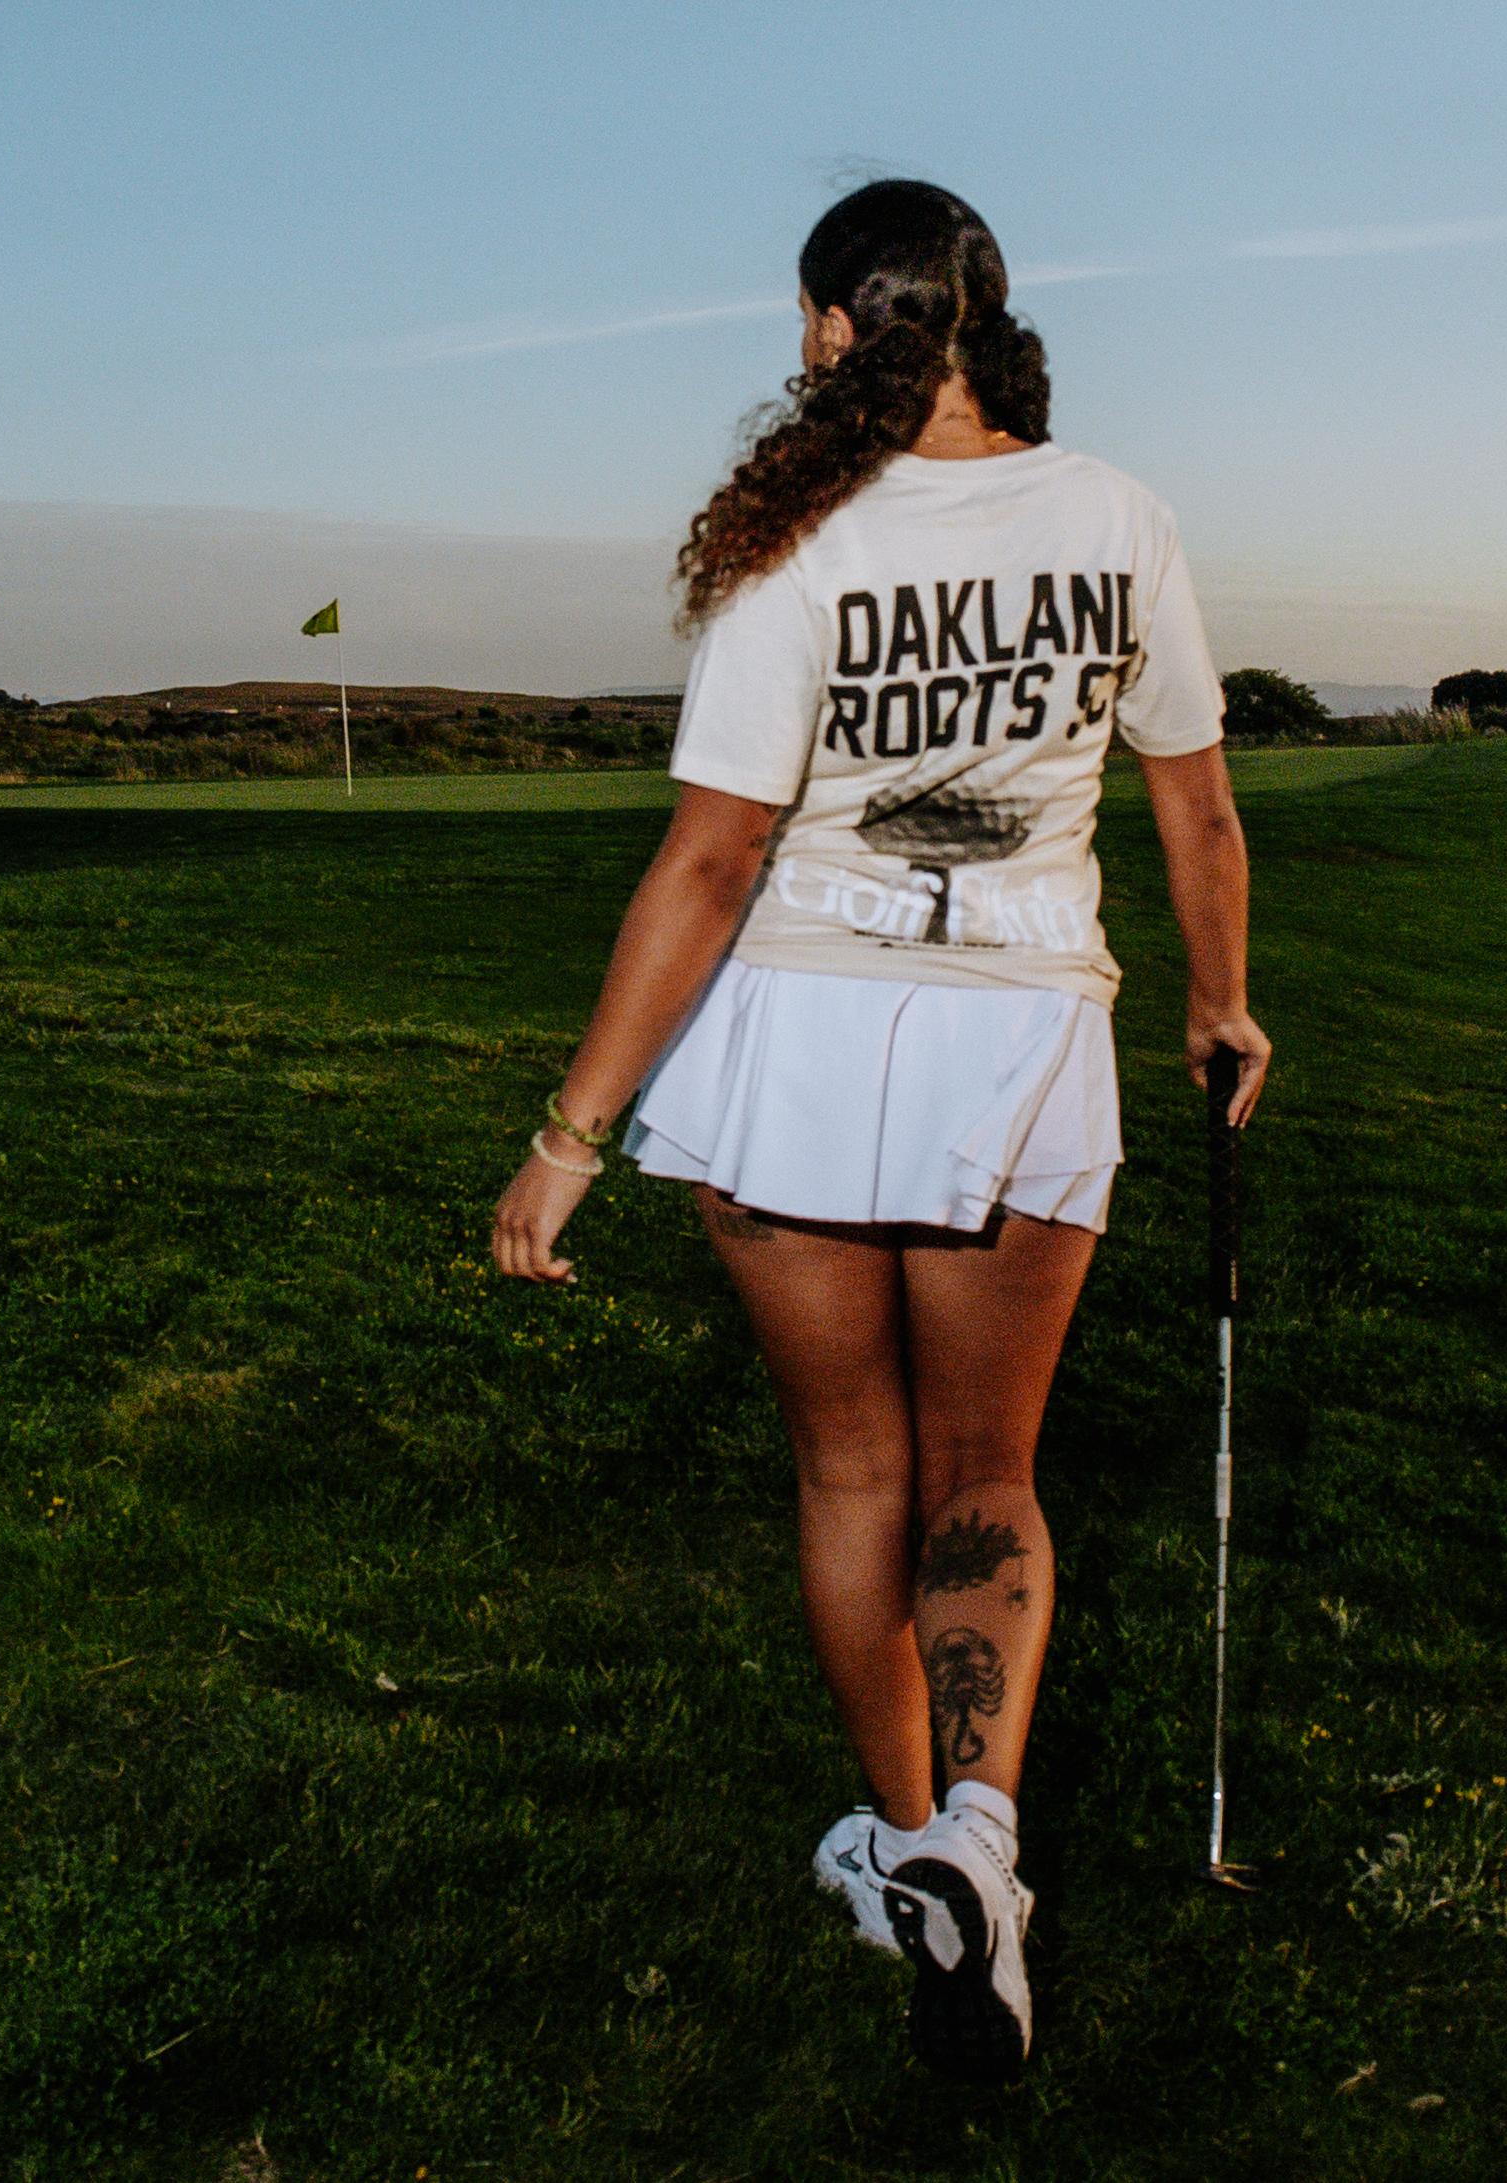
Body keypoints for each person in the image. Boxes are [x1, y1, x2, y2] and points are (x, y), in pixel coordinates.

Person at [493, 179, 1270, 2084]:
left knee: (855, 1467)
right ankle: (979, 1850)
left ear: (841, 323)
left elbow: (713, 853)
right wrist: (1213, 1002)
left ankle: (915, 1845)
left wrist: (570, 1133)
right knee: (985, 1474)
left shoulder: (799, 540)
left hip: (807, 1044)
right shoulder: (1121, 517)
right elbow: (1197, 814)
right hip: (1024, 1038)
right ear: (990, 313)